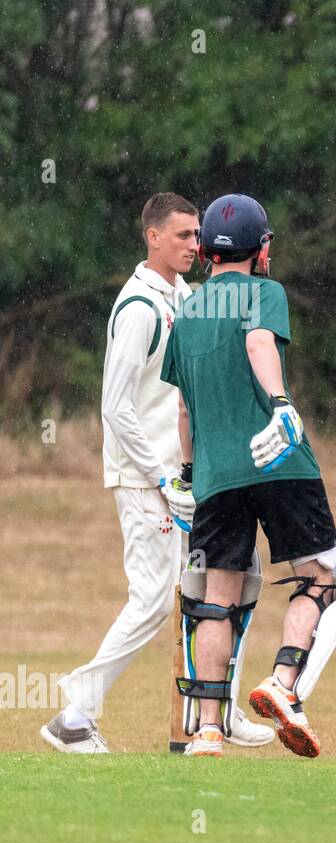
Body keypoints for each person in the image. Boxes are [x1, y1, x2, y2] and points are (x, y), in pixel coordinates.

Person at [41, 192, 274, 754]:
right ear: (152, 236)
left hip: (185, 477)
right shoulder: (141, 307)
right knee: (151, 599)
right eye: (183, 236)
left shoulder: (183, 296)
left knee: (227, 584)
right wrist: (161, 476)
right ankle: (74, 716)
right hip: (146, 480)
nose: (196, 246)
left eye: (198, 236)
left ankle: (215, 708)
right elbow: (114, 407)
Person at [162, 193, 336, 758]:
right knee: (321, 575)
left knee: (217, 601)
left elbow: (185, 411)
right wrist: (281, 403)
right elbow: (257, 340)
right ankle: (282, 681)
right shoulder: (266, 292)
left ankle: (209, 730)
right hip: (280, 461)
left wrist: (190, 473)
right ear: (262, 247)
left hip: (216, 476)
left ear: (203, 251)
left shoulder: (187, 311)